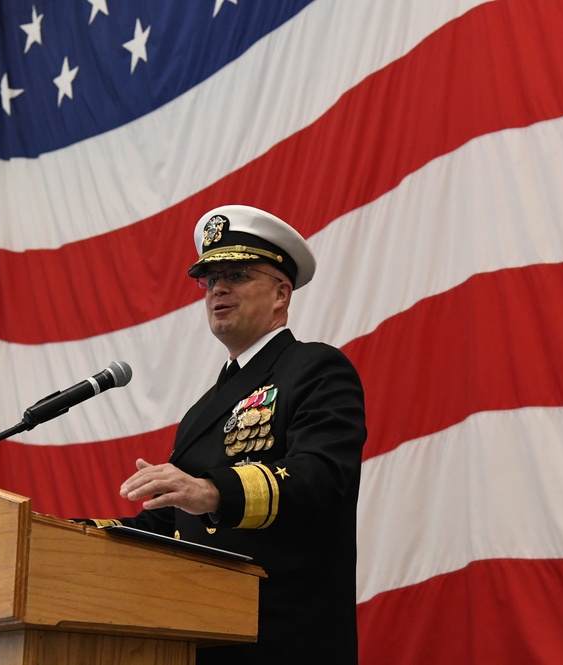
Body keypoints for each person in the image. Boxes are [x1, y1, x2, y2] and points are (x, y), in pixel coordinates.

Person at [88, 204, 367, 664]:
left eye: (236, 275)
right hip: (200, 640)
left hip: (283, 640)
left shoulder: (316, 368)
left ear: (281, 293)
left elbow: (322, 477)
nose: (218, 289)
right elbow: (169, 521)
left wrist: (215, 489)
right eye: (210, 279)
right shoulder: (201, 412)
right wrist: (76, 535)